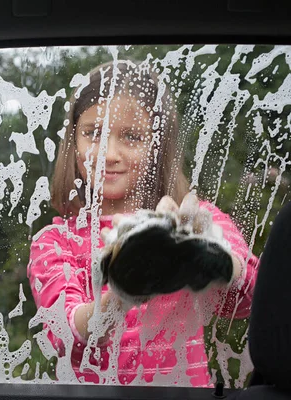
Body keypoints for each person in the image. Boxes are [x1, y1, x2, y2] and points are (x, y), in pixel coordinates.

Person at [28, 61, 258, 386]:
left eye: (132, 136)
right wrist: (122, 292)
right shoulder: (55, 241)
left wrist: (210, 257)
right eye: (93, 133)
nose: (109, 154)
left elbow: (247, 299)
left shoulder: (194, 220)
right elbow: (66, 334)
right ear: (73, 142)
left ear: (158, 147)